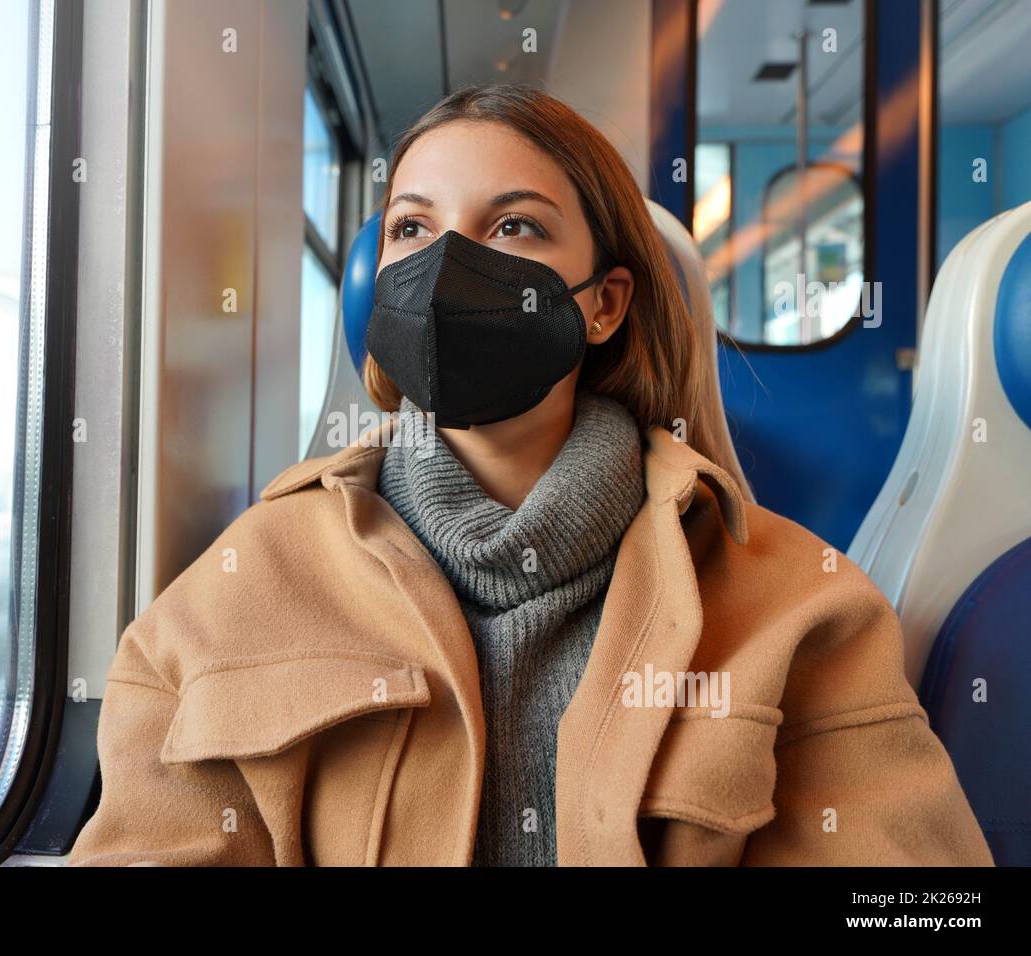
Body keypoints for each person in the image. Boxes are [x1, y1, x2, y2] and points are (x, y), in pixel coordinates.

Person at [66, 83, 993, 867]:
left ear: (603, 306)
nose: (444, 269)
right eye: (412, 227)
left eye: (513, 226)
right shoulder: (235, 590)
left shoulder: (799, 606)